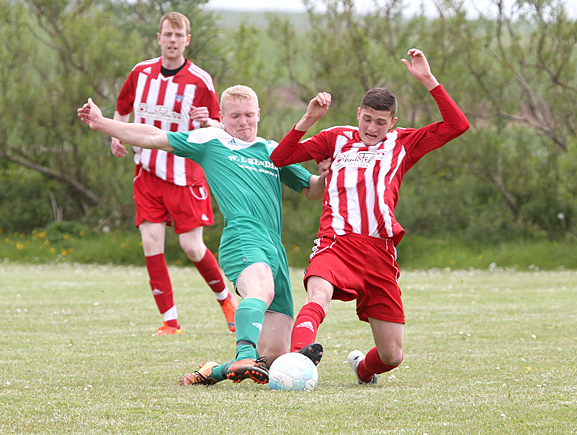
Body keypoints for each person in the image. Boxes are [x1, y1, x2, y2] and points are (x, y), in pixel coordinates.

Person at [78, 85, 327, 386]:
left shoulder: (273, 150)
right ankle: (244, 350)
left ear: (259, 114)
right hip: (242, 234)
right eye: (235, 116)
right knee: (261, 289)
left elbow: (313, 190)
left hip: (275, 245)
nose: (243, 122)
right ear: (221, 117)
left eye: (249, 115)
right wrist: (103, 122)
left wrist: (330, 171)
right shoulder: (212, 141)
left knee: (273, 357)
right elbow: (152, 136)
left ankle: (214, 371)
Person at [270, 49, 470, 384]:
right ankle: (299, 359)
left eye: (380, 122)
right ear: (358, 113)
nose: (371, 127)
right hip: (336, 240)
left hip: (379, 251)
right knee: (318, 294)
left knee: (392, 356)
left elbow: (457, 125)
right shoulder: (335, 138)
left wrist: (428, 80)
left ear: (392, 122)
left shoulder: (404, 143)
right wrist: (308, 119)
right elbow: (281, 157)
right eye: (366, 119)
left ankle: (363, 370)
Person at [111, 12, 236, 336]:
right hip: (148, 171)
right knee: (151, 241)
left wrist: (207, 120)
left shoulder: (200, 80)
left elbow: (223, 127)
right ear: (159, 37)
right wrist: (116, 134)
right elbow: (122, 109)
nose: (172, 41)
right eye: (167, 34)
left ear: (187, 41)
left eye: (178, 36)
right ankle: (170, 322)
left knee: (192, 247)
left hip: (185, 173)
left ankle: (226, 302)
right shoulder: (141, 73)